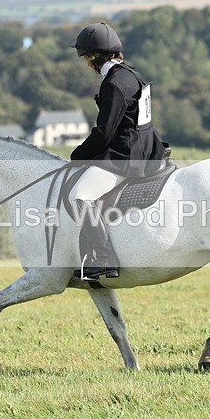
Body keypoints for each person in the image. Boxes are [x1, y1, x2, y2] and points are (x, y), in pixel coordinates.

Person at [69, 22, 167, 281]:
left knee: (80, 197)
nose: (87, 64)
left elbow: (104, 133)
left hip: (127, 156)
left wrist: (78, 156)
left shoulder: (113, 83)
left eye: (87, 58)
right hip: (149, 147)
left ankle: (104, 257)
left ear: (94, 57)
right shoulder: (132, 74)